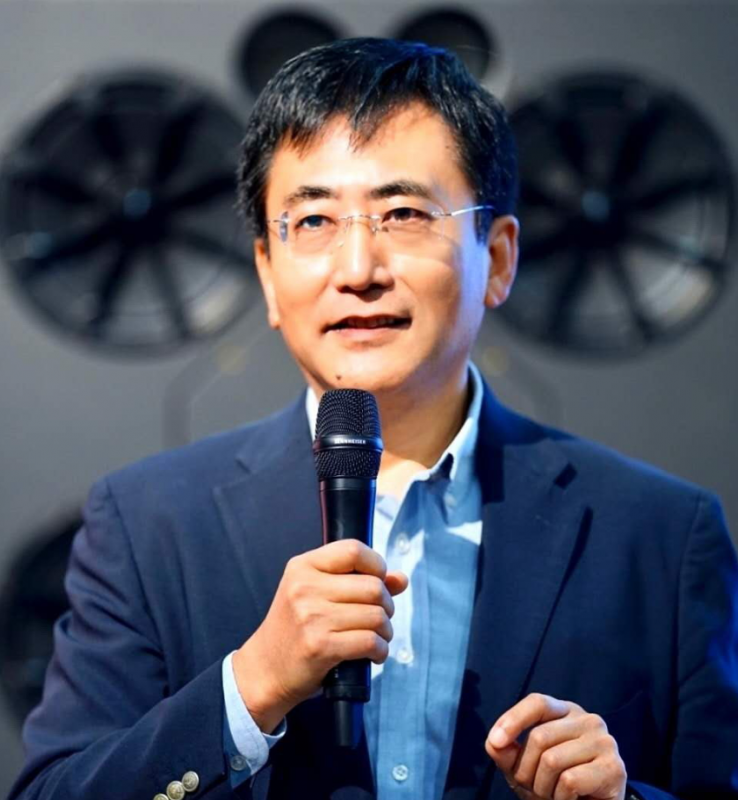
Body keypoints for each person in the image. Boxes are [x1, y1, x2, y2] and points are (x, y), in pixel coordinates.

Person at [9, 38, 738, 800]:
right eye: (314, 221)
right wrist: (250, 687)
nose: (358, 269)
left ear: (498, 259)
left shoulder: (662, 535)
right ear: (266, 273)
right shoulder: (146, 523)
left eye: (403, 213)